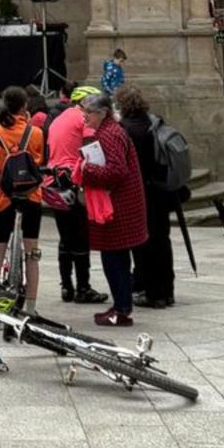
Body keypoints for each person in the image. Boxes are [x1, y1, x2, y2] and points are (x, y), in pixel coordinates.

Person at [74, 91, 147, 327]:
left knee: (114, 259)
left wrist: (87, 169)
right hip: (120, 204)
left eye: (88, 112)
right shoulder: (109, 131)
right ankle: (120, 306)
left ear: (102, 113)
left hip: (118, 207)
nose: (84, 116)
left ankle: (122, 310)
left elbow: (117, 170)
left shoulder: (110, 134)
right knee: (117, 259)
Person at [0, 85, 47, 317]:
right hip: (31, 198)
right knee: (32, 252)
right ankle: (31, 306)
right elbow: (38, 164)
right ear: (24, 106)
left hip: (2, 199)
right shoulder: (35, 133)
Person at [43, 84, 106, 306]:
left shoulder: (59, 117)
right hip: (71, 181)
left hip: (52, 182)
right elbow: (94, 146)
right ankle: (83, 288)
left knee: (66, 237)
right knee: (80, 237)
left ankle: (66, 286)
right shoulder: (82, 119)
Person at [116, 84, 177, 308]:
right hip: (161, 191)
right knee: (162, 240)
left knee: (143, 243)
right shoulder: (156, 123)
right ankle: (167, 290)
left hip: (139, 193)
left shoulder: (124, 130)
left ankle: (152, 293)